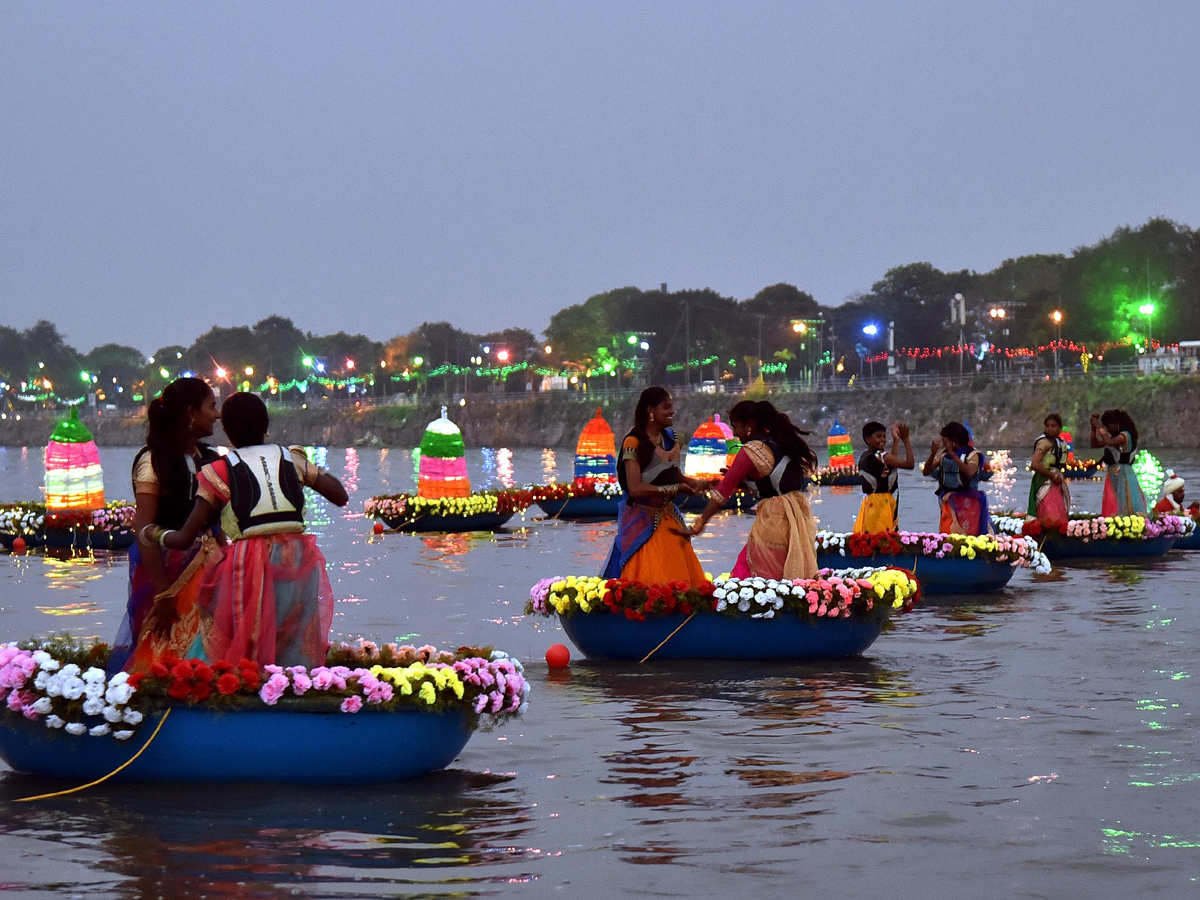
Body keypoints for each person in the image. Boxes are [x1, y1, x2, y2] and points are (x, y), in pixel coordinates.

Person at [149, 392, 349, 668]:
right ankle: (291, 687)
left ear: (228, 433)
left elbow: (183, 538)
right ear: (266, 427)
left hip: (249, 560)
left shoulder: (219, 470)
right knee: (292, 633)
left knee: (247, 639)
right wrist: (308, 470)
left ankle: (241, 688)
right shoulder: (292, 459)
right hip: (300, 556)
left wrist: (153, 533)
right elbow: (340, 496)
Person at [110, 377, 223, 673]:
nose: (217, 414)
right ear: (190, 413)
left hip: (211, 570)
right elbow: (144, 529)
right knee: (163, 650)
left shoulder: (211, 458)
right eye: (211, 406)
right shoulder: (153, 462)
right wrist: (163, 593)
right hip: (165, 573)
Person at [690, 400, 819, 580]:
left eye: (735, 427)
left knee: (758, 574)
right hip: (796, 514)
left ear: (749, 426)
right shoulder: (777, 442)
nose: (734, 434)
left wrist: (700, 523)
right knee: (784, 574)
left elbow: (722, 493)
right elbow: (771, 481)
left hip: (774, 519)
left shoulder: (751, 450)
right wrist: (740, 482)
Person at [601, 387, 712, 587]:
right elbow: (635, 489)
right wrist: (675, 489)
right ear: (650, 410)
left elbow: (673, 474)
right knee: (651, 579)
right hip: (640, 517)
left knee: (680, 580)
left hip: (669, 516)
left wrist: (699, 484)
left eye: (672, 407)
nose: (672, 411)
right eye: (666, 407)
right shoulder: (633, 442)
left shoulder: (672, 439)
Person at [922, 421, 990, 535]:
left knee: (967, 535)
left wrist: (953, 454)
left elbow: (969, 472)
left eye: (945, 440)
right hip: (949, 501)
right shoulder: (943, 455)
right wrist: (933, 454)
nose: (943, 443)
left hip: (969, 502)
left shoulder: (973, 455)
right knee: (947, 534)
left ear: (953, 440)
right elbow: (926, 471)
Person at [853, 421, 914, 533]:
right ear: (868, 439)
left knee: (873, 536)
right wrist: (906, 440)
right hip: (881, 504)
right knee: (883, 538)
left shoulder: (865, 455)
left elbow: (892, 463)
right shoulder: (880, 455)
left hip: (871, 503)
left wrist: (896, 440)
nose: (883, 440)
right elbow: (910, 464)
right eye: (878, 436)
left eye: (884, 436)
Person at [1090, 409, 1147, 516]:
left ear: (1117, 423)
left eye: (1108, 426)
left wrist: (1099, 427)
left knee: (1124, 503)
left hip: (1122, 474)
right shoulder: (1115, 436)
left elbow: (1109, 442)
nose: (1107, 430)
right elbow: (1095, 444)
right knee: (1114, 503)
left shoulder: (1125, 436)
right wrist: (1093, 428)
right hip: (1113, 475)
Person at [1027, 413, 1071, 528]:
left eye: (1053, 426)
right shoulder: (1044, 443)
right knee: (1050, 514)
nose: (1050, 428)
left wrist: (1059, 476)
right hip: (1044, 481)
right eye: (1048, 426)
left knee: (1060, 512)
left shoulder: (1060, 443)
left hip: (1056, 482)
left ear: (1060, 428)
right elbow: (1035, 464)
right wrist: (1052, 475)